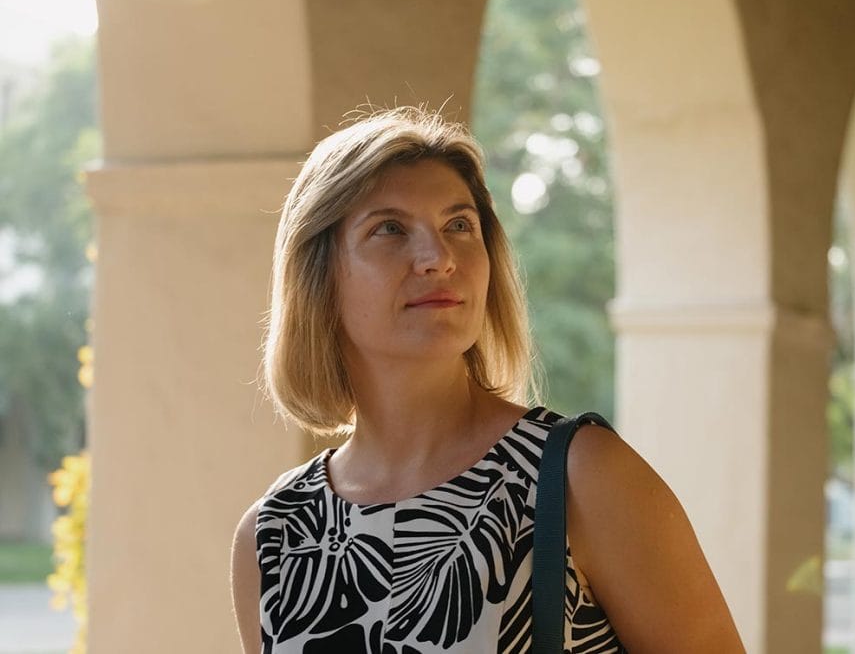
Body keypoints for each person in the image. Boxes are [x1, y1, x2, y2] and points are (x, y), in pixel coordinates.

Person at [229, 106, 744, 653]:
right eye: (390, 229)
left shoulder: (581, 478)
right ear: (318, 275)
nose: (438, 257)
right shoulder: (274, 537)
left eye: (459, 225)